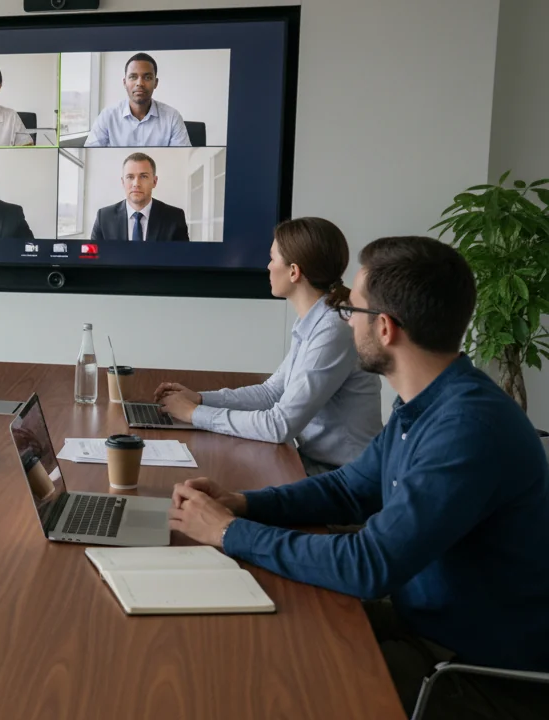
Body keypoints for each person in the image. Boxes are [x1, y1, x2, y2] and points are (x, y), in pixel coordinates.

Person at [168, 236, 549, 719]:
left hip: (470, 670)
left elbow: (369, 565)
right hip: (423, 620)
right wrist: (244, 503)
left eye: (353, 309)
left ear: (385, 328)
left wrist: (227, 531)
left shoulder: (469, 430)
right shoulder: (429, 402)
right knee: (245, 628)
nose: (344, 318)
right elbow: (349, 489)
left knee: (263, 682)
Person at [155, 218, 381, 474]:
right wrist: (201, 399)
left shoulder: (334, 329)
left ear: (294, 271)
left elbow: (280, 425)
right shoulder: (317, 318)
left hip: (345, 478)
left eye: (272, 259)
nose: (268, 266)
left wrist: (195, 414)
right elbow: (272, 393)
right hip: (317, 467)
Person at [83, 52, 191, 148]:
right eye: (133, 77)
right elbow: (92, 150)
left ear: (156, 83)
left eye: (147, 77)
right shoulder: (107, 116)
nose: (140, 83)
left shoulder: (172, 117)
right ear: (125, 83)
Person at [88, 152, 188, 242]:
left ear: (154, 181)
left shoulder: (175, 217)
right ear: (123, 182)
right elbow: (93, 259)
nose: (136, 184)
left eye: (143, 176)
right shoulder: (104, 217)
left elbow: (182, 259)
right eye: (130, 177)